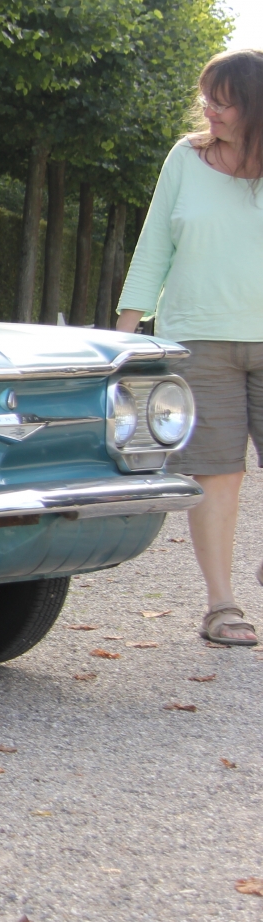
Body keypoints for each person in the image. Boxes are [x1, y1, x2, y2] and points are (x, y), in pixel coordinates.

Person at [117, 48, 263, 645]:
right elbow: (155, 245)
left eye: (223, 100)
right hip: (199, 340)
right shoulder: (186, 157)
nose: (210, 108)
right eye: (207, 95)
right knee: (216, 473)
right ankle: (221, 606)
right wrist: (121, 336)